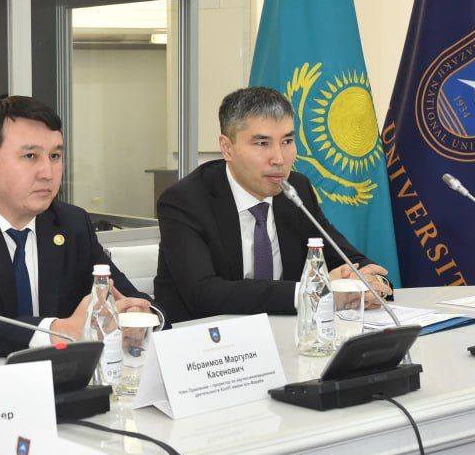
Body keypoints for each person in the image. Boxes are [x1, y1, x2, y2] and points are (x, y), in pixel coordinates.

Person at [0, 95, 153, 357]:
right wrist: (54, 330)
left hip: (65, 376)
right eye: (30, 156)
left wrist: (138, 315)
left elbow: (133, 298)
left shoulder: (71, 224)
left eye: (55, 156)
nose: (48, 172)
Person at [154, 86, 392, 322]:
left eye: (287, 141)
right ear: (227, 148)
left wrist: (370, 283)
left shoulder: (295, 189)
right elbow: (205, 293)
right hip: (209, 339)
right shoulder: (185, 201)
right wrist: (313, 293)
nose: (279, 159)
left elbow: (346, 258)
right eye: (262, 143)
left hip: (285, 335)